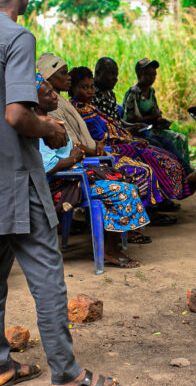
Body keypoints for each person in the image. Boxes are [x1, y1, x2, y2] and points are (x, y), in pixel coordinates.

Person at [0, 0, 117, 386]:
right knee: (46, 274)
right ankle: (66, 372)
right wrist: (50, 128)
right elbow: (16, 115)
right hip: (20, 178)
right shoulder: (19, 38)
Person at [39, 54, 164, 233]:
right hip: (76, 169)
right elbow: (67, 152)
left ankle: (124, 231)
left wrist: (96, 146)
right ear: (48, 78)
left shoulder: (60, 102)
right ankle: (119, 235)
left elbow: (79, 141)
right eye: (64, 74)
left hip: (87, 158)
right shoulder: (49, 112)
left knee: (137, 164)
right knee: (135, 173)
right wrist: (93, 152)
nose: (68, 78)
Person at [36, 75, 148, 268]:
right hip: (63, 183)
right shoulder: (38, 128)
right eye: (49, 94)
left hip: (76, 176)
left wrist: (76, 155)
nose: (56, 97)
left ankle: (110, 242)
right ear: (35, 100)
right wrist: (73, 157)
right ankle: (109, 250)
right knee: (121, 191)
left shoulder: (50, 121)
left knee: (125, 177)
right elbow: (48, 167)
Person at [72, 66, 196, 211]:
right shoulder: (80, 110)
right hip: (110, 149)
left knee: (162, 150)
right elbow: (100, 137)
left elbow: (116, 124)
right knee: (153, 158)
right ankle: (174, 191)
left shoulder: (88, 106)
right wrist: (130, 140)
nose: (90, 91)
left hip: (120, 141)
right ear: (73, 88)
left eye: (91, 87)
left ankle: (177, 187)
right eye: (85, 88)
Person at [93, 56, 185, 165]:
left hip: (126, 134)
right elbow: (104, 129)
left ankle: (186, 172)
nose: (116, 79)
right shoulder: (92, 96)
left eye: (116, 75)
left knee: (167, 142)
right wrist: (130, 129)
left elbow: (118, 120)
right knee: (155, 145)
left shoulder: (110, 94)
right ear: (98, 73)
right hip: (116, 141)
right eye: (111, 74)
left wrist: (135, 126)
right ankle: (181, 175)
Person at [122, 58, 192, 169]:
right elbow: (128, 120)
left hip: (152, 128)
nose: (152, 77)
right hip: (140, 132)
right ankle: (180, 171)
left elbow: (156, 112)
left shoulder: (151, 91)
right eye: (149, 74)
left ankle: (185, 170)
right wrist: (152, 117)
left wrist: (159, 120)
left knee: (181, 138)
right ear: (140, 74)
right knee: (171, 141)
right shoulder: (134, 92)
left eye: (154, 74)